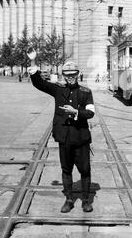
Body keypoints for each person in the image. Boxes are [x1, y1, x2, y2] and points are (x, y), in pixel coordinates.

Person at [27, 48, 95, 213]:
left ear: (78, 74)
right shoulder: (58, 90)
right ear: (64, 75)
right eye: (67, 75)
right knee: (66, 169)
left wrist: (77, 112)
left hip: (81, 138)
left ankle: (86, 200)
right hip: (64, 138)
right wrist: (33, 61)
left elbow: (91, 112)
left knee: (85, 170)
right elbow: (38, 83)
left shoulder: (86, 92)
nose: (70, 77)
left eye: (73, 74)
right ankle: (69, 200)